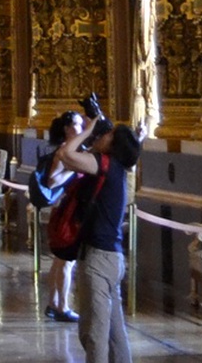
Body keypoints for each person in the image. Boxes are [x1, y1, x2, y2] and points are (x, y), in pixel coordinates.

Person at [54, 121, 144, 363]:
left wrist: (87, 130)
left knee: (94, 334)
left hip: (99, 259)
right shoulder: (115, 169)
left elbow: (65, 154)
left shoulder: (105, 165)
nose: (102, 136)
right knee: (115, 335)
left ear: (113, 145)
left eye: (108, 134)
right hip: (111, 258)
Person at [35, 112, 84, 323]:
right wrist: (73, 170)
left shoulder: (71, 149)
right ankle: (63, 306)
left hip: (68, 209)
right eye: (76, 125)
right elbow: (52, 181)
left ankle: (53, 303)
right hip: (66, 212)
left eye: (82, 125)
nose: (79, 130)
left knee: (59, 260)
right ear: (66, 128)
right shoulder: (64, 151)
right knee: (66, 262)